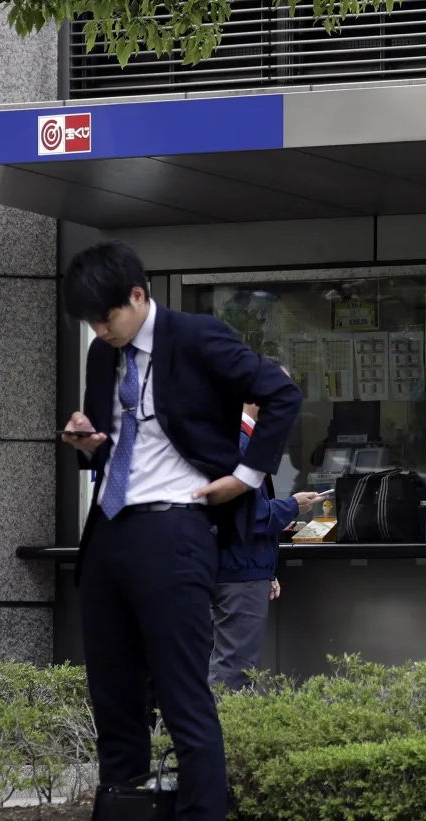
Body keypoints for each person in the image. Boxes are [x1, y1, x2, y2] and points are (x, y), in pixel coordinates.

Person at [59, 241, 301, 821]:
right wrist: (86, 442)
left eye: (107, 316)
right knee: (115, 702)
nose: (100, 329)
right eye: (90, 322)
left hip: (178, 528)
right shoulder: (102, 354)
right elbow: (107, 444)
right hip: (110, 531)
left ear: (139, 296)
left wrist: (243, 478)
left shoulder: (196, 336)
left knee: (183, 698)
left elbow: (281, 393)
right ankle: (125, 811)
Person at [208, 402, 322, 690]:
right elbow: (251, 515)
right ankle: (222, 735)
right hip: (238, 570)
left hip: (238, 565)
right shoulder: (240, 440)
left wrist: (267, 570)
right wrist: (293, 505)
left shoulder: (228, 434)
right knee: (234, 672)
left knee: (226, 666)